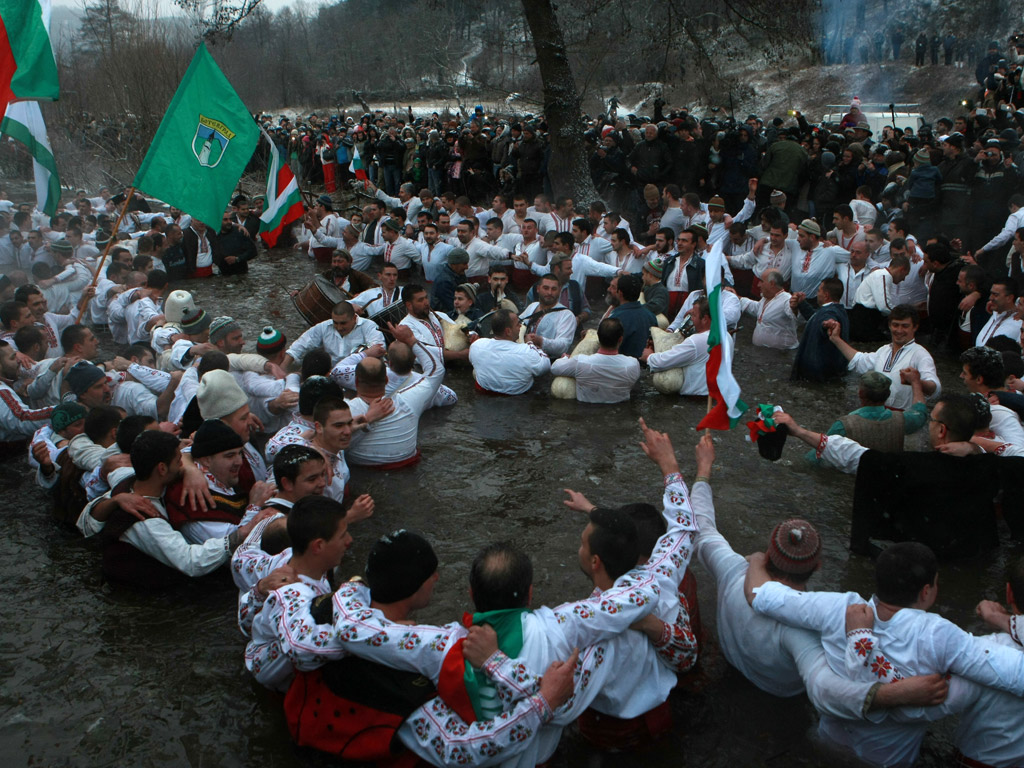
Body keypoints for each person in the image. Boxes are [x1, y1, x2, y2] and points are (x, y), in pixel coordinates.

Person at [687, 437, 947, 749]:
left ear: (769, 552)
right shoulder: (804, 632)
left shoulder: (732, 568)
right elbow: (823, 690)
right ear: (819, 566)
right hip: (777, 699)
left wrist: (704, 469)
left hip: (732, 667)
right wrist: (896, 693)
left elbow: (701, 527)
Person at [745, 541, 1024, 768]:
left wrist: (757, 561)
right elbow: (1016, 674)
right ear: (927, 591)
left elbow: (760, 596)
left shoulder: (836, 607)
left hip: (825, 748)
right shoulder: (939, 635)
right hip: (888, 762)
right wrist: (1006, 623)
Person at [76, 430, 271, 586]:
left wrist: (191, 469)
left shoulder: (129, 478)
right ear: (161, 469)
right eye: (179, 461)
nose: (183, 464)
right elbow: (190, 561)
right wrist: (241, 533)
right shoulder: (145, 521)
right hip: (143, 600)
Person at [344, 328, 442, 469]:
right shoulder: (409, 401)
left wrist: (367, 419)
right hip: (411, 472)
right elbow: (436, 371)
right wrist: (411, 340)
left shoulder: (344, 410)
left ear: (357, 382)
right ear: (386, 380)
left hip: (364, 475)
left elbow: (326, 445)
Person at [824, 304, 940, 411]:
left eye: (905, 326)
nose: (899, 330)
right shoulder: (884, 351)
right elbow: (859, 360)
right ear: (889, 326)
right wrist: (836, 339)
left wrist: (916, 381)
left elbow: (935, 389)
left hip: (906, 421)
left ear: (915, 327)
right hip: (880, 418)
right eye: (895, 325)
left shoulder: (920, 354)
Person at [822, 370, 928, 451]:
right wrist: (915, 382)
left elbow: (820, 453)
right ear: (888, 395)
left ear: (860, 393)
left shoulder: (843, 426)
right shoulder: (902, 421)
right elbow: (920, 412)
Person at [550, 318, 640, 403]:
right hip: (619, 411)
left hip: (586, 411)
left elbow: (554, 368)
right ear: (620, 339)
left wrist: (565, 358)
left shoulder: (581, 362)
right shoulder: (632, 364)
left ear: (598, 337)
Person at [469, 308, 551, 395]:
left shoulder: (477, 346)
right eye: (517, 324)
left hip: (484, 399)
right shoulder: (526, 352)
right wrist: (530, 343)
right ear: (508, 331)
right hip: (518, 400)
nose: (521, 326)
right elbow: (546, 365)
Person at [284, 300, 386, 368]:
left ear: (354, 318)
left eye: (343, 323)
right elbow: (299, 345)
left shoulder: (368, 326)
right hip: (329, 372)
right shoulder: (324, 326)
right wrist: (282, 368)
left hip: (358, 373)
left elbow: (379, 347)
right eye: (335, 323)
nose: (339, 327)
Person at [641, 297, 711, 396]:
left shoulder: (696, 341)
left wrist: (649, 356)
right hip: (713, 397)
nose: (691, 319)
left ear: (705, 319)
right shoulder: (726, 337)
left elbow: (664, 361)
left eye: (694, 315)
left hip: (693, 400)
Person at [790, 277, 850, 382]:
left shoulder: (830, 313)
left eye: (819, 291)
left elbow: (825, 321)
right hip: (828, 372)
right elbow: (815, 317)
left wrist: (828, 324)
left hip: (819, 375)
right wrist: (802, 303)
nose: (817, 294)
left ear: (826, 295)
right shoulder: (837, 310)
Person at [849, 254, 911, 341]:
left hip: (861, 315)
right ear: (901, 269)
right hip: (865, 318)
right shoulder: (883, 276)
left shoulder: (879, 275)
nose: (903, 279)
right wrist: (902, 316)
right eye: (905, 275)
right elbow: (884, 306)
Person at [520, 274, 577, 358]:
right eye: (546, 288)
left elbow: (563, 346)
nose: (549, 293)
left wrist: (540, 341)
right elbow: (517, 325)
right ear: (538, 289)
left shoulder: (567, 315)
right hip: (524, 355)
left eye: (554, 289)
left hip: (548, 362)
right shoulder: (532, 306)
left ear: (559, 290)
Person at [738, 270, 798, 349]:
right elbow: (755, 308)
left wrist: (795, 308)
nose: (758, 285)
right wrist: (736, 297)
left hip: (780, 354)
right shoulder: (765, 298)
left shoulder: (786, 300)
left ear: (772, 283)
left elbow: (794, 314)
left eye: (761, 281)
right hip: (762, 353)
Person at [607, 274, 657, 358]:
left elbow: (608, 350)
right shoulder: (651, 316)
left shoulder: (615, 320)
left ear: (620, 293)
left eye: (613, 287)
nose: (608, 289)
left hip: (622, 366)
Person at [976, 278, 1022, 346]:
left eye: (995, 295)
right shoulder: (995, 312)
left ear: (1009, 298)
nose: (990, 298)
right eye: (991, 293)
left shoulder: (1019, 323)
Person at [211, 209, 257, 275]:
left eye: (230, 219)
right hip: (223, 274)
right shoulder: (214, 235)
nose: (229, 222)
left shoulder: (239, 232)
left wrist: (237, 259)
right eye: (225, 220)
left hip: (241, 273)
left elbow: (253, 251)